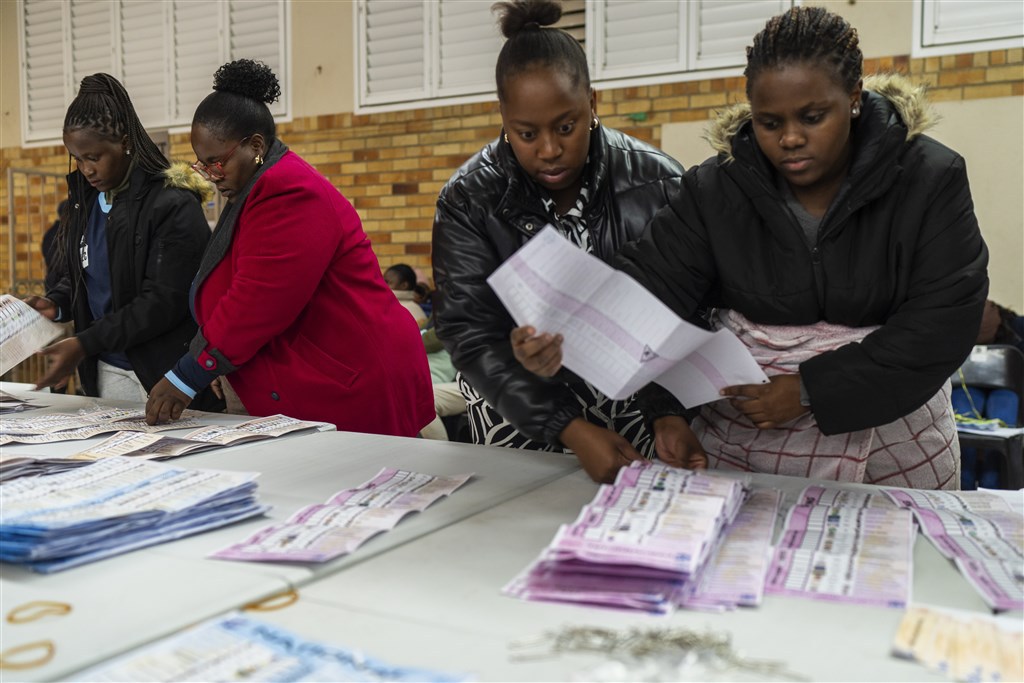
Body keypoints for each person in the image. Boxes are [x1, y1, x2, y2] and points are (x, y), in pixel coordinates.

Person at [592, 7, 987, 489]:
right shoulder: (716, 190)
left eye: (812, 117)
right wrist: (664, 410)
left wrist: (809, 390)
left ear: (854, 98)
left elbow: (944, 320)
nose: (791, 139)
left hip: (891, 444)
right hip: (745, 445)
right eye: (769, 123)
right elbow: (648, 297)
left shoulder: (929, 179)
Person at [431, 0, 705, 483]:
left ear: (593, 104)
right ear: (503, 117)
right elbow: (470, 335)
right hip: (518, 406)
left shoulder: (658, 182)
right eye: (526, 133)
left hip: (642, 404)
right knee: (527, 525)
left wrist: (669, 412)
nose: (550, 150)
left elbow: (689, 307)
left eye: (566, 126)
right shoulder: (469, 199)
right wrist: (570, 427)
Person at [144, 59, 434, 437]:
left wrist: (190, 373)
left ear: (256, 146)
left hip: (352, 376)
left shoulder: (289, 191)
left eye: (217, 162)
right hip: (325, 371)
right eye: (203, 163)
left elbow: (257, 299)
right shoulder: (252, 186)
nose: (210, 175)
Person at [24, 74, 216, 406]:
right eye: (77, 158)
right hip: (108, 367)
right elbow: (90, 275)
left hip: (166, 371)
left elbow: (161, 301)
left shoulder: (172, 203)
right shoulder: (85, 203)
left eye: (94, 157)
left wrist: (84, 342)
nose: (85, 169)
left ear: (125, 142)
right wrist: (57, 304)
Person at [384, 263, 429, 329]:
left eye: (388, 282)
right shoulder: (387, 304)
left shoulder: (408, 310)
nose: (384, 285)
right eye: (383, 282)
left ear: (404, 285)